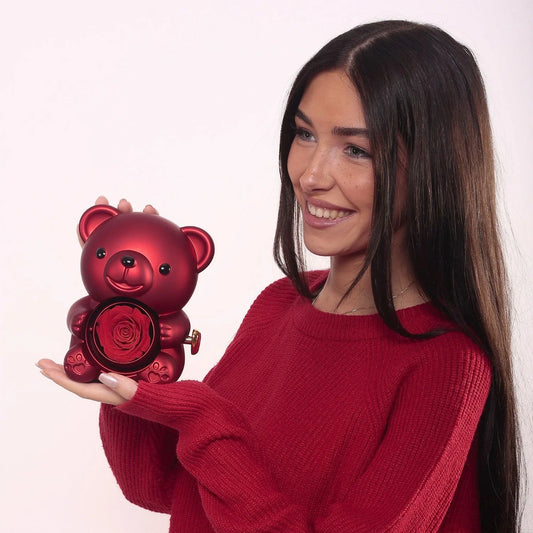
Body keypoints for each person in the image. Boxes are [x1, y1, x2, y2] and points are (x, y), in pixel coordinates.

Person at [38, 20, 521, 533]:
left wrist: (202, 416)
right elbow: (160, 486)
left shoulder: (446, 365)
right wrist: (128, 333)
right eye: (305, 134)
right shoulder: (279, 303)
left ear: (434, 167)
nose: (310, 176)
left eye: (356, 150)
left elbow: (209, 438)